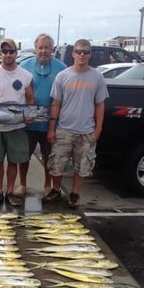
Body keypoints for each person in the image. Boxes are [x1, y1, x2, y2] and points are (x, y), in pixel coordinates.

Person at [47, 39, 109, 208]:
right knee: (56, 164)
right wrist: (51, 129)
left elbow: (100, 105)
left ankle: (74, 193)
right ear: (73, 53)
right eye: (79, 51)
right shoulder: (63, 76)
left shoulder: (97, 77)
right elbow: (56, 104)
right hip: (64, 129)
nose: (82, 55)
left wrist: (98, 129)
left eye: (86, 52)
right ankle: (56, 189)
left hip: (86, 131)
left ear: (90, 55)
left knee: (82, 166)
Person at [0, 38, 34, 207]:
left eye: (11, 51)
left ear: (16, 53)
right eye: (4, 51)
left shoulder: (26, 76)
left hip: (17, 126)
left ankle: (10, 192)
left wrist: (29, 116)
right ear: (0, 54)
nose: (8, 54)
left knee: (13, 161)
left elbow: (30, 100)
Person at [16, 33, 66, 199]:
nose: (43, 51)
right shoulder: (24, 65)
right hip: (28, 122)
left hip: (50, 124)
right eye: (40, 48)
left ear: (52, 49)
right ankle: (22, 184)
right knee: (24, 156)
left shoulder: (62, 68)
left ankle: (47, 185)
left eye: (47, 48)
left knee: (48, 157)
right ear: (35, 49)